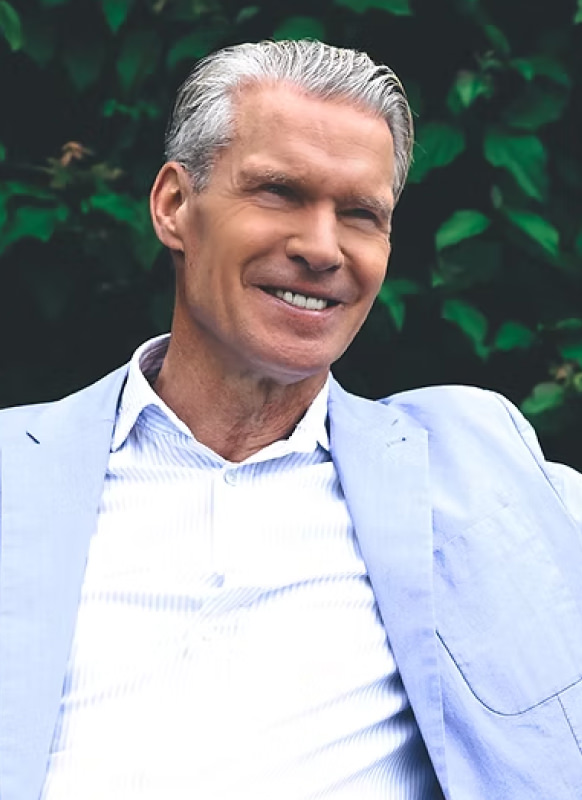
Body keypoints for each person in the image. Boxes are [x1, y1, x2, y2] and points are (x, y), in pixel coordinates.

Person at [1, 38, 582, 800]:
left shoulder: (475, 461)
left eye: (360, 214)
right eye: (279, 192)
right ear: (174, 205)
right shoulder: (16, 468)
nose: (321, 248)